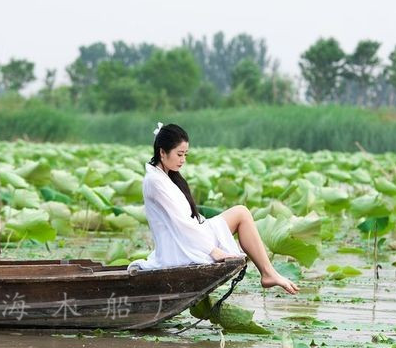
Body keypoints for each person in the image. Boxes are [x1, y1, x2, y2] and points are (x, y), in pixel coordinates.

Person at [128, 122, 299, 294]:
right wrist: (214, 250)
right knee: (241, 213)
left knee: (242, 212)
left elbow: (190, 219)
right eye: (179, 154)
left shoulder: (166, 177)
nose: (183, 160)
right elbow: (182, 224)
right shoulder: (155, 181)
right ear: (162, 152)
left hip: (187, 237)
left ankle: (268, 272)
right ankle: (268, 272)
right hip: (178, 247)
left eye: (185, 155)